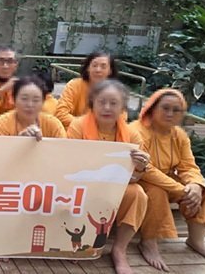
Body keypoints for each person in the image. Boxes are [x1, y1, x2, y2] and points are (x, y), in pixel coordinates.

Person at [131, 89, 205, 271]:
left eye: (176, 110)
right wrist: (180, 189)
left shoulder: (179, 135)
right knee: (157, 192)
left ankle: (196, 240)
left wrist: (194, 184)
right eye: (165, 108)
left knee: (201, 190)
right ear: (152, 108)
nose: (170, 114)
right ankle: (148, 242)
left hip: (168, 178)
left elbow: (188, 166)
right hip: (140, 178)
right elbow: (147, 170)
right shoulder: (136, 131)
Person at [66, 80, 150, 274]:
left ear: (123, 107)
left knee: (138, 194)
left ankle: (119, 250)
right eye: (101, 102)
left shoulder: (132, 136)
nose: (107, 108)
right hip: (82, 184)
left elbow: (134, 179)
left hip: (115, 187)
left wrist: (140, 167)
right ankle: (79, 245)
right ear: (92, 103)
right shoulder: (78, 126)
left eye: (113, 103)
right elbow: (69, 165)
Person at [55, 51, 119, 128]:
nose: (98, 70)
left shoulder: (116, 92)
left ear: (110, 71)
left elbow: (119, 119)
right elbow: (60, 114)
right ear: (88, 68)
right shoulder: (75, 85)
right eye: (94, 65)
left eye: (103, 67)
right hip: (74, 131)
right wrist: (87, 125)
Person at [0, 76, 66, 139]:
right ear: (14, 99)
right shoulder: (2, 123)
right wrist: (19, 140)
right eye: (24, 99)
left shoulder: (53, 124)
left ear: (43, 102)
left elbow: (62, 149)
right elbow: (0, 151)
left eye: (36, 100)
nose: (30, 105)